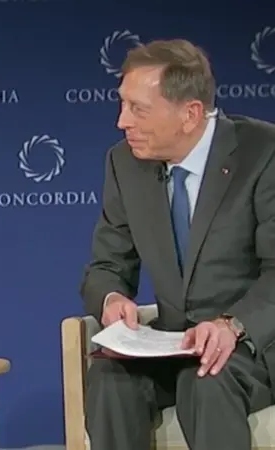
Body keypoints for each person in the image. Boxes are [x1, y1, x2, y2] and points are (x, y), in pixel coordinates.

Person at [80, 38, 275, 450]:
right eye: (122, 104)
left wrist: (231, 325)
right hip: (171, 343)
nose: (121, 121)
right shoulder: (124, 163)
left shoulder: (263, 154)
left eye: (138, 109)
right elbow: (106, 266)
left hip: (253, 346)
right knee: (110, 379)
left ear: (190, 114)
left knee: (205, 380)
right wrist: (112, 298)